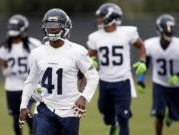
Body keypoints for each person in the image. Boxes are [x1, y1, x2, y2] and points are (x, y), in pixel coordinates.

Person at [19, 8, 99, 135]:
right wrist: (24, 105)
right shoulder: (37, 53)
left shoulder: (78, 51)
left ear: (65, 27)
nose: (52, 28)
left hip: (70, 110)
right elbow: (30, 82)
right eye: (49, 25)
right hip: (44, 108)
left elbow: (93, 76)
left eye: (56, 25)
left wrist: (84, 97)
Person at [87, 3, 147, 135]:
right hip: (104, 82)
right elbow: (89, 55)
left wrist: (142, 61)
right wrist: (90, 61)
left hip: (123, 82)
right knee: (106, 116)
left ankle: (118, 122)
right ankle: (112, 124)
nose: (99, 19)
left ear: (111, 16)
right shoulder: (95, 37)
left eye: (102, 16)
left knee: (123, 117)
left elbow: (141, 46)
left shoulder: (127, 32)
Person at [136, 14, 179, 135]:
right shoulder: (150, 44)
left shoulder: (178, 45)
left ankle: (171, 115)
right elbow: (145, 63)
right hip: (159, 84)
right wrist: (140, 79)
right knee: (159, 114)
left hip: (176, 86)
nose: (169, 33)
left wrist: (177, 76)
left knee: (176, 116)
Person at [0, 14, 41, 135]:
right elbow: (4, 64)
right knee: (16, 117)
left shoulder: (34, 44)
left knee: (26, 112)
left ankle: (34, 131)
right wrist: (4, 70)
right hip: (11, 86)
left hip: (27, 85)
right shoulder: (5, 48)